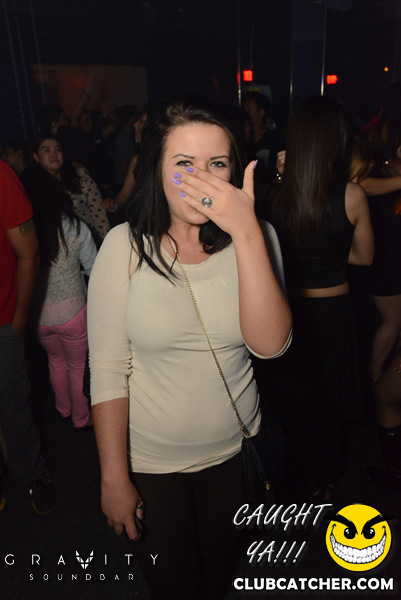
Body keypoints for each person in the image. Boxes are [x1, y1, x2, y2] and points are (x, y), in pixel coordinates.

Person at [87, 96, 292, 600]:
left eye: (216, 163)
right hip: (153, 464)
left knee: (219, 572)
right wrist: (113, 477)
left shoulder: (258, 236)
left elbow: (270, 347)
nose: (201, 179)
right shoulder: (124, 245)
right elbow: (108, 369)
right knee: (174, 585)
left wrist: (246, 230)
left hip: (236, 453)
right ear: (155, 170)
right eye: (183, 163)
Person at [267, 97, 374, 501]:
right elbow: (364, 257)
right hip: (332, 310)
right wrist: (329, 253)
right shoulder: (351, 195)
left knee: (288, 398)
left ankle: (285, 476)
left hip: (287, 306)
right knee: (327, 403)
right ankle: (323, 479)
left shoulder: (272, 194)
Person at [0, 159, 59, 514]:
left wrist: (19, 320)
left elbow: (29, 252)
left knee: (13, 405)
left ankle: (32, 473)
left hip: (2, 322)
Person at [22, 166, 97, 430]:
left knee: (55, 362)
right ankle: (81, 417)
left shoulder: (26, 233)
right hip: (74, 312)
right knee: (77, 367)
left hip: (40, 316)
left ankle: (63, 408)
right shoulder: (75, 226)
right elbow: (94, 267)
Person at [31, 133, 110, 245]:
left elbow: (99, 213)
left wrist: (107, 243)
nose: (54, 154)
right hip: (57, 246)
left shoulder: (80, 177)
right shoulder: (34, 187)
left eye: (58, 149)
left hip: (89, 242)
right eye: (47, 150)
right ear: (36, 157)